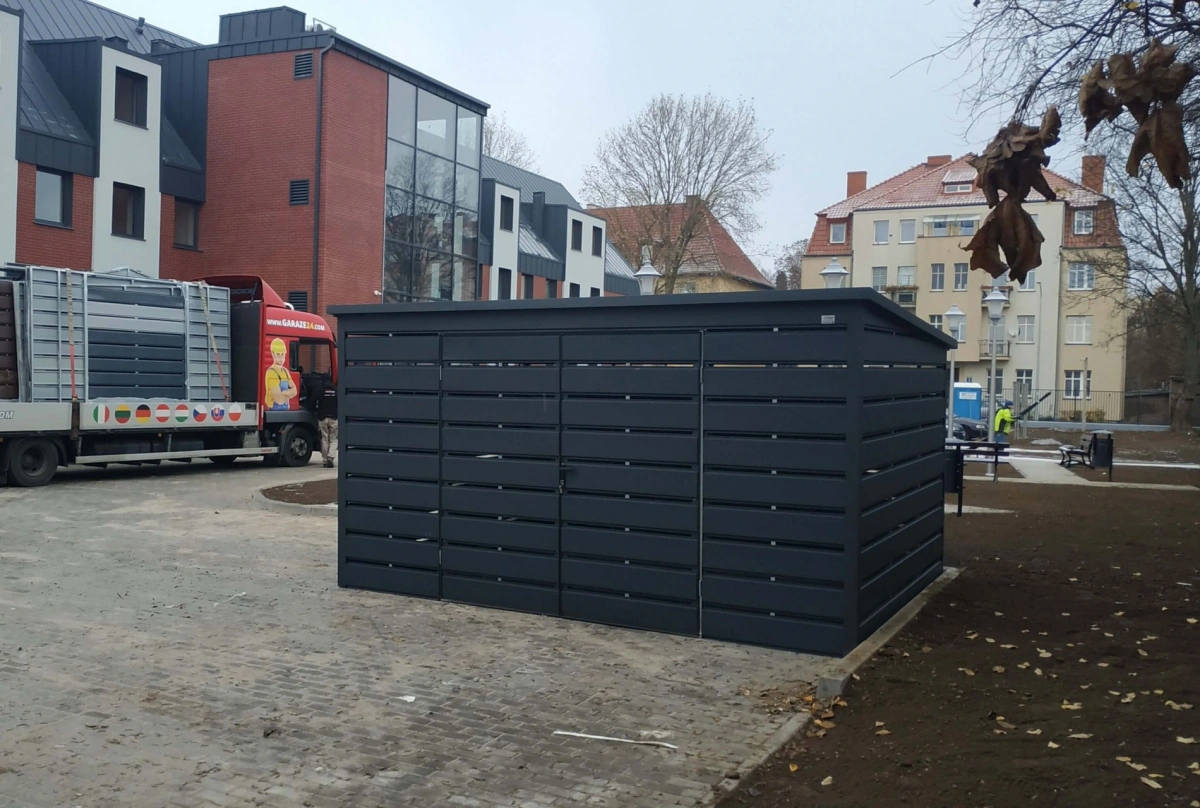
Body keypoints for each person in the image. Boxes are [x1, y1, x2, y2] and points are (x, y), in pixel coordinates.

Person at [265, 338, 298, 411]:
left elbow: (295, 391)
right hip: (274, 411)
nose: (280, 357)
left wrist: (283, 393)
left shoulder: (285, 371)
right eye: (278, 354)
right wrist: (289, 393)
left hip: (285, 410)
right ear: (272, 353)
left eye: (282, 354)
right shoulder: (271, 372)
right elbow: (279, 400)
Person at [315, 374, 338, 468]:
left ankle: (325, 460)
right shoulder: (336, 390)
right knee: (334, 439)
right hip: (334, 418)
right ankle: (330, 457)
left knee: (324, 439)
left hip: (322, 418)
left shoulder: (319, 390)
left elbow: (312, 401)